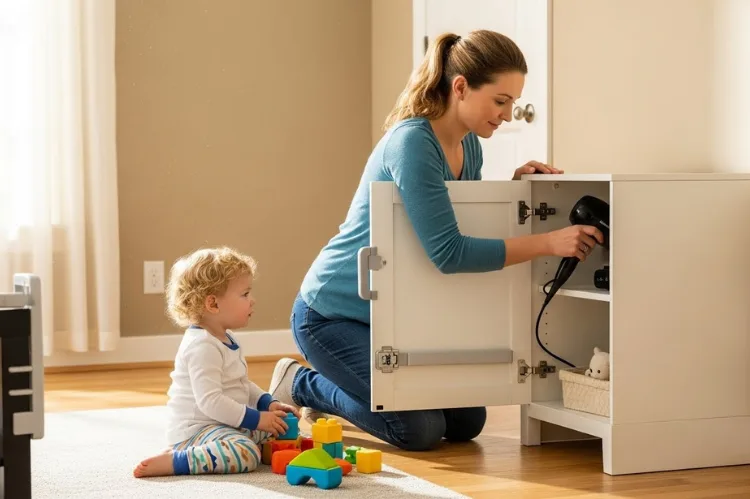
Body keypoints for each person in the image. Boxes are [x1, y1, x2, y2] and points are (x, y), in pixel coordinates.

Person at [268, 30, 604, 451]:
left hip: (395, 316)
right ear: (460, 86)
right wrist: (548, 242)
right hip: (331, 316)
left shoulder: (469, 147)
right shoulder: (412, 143)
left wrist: (514, 192)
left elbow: (458, 224)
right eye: (500, 101)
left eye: (513, 104)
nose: (508, 114)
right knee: (419, 429)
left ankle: (334, 385)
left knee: (467, 421)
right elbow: (449, 252)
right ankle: (303, 385)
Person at [134, 247, 300, 478]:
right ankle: (177, 460)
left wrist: (267, 403)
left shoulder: (226, 338)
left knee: (281, 427)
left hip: (224, 424)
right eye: (245, 294)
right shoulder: (202, 345)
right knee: (246, 453)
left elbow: (240, 384)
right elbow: (210, 401)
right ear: (213, 304)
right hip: (196, 432)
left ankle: (259, 444)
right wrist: (257, 419)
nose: (253, 301)